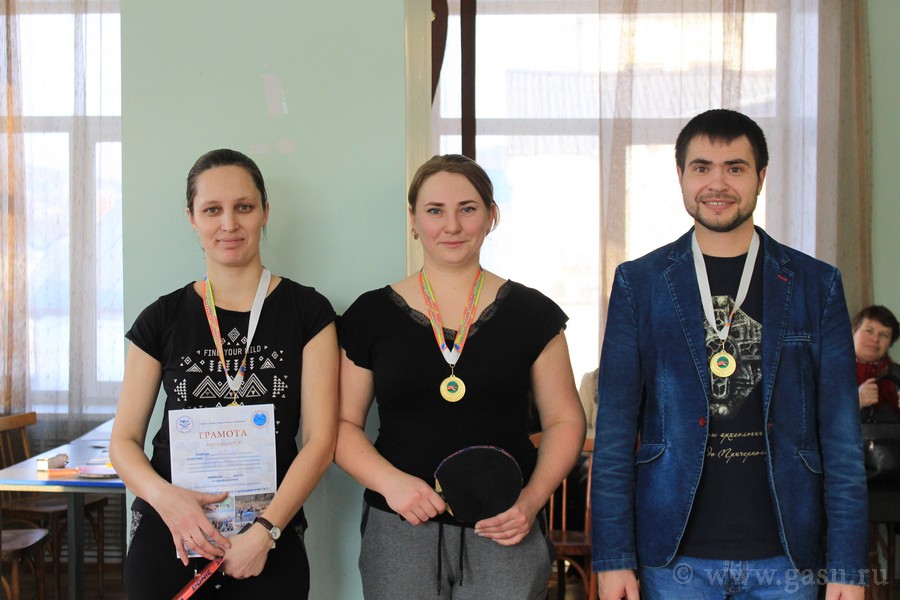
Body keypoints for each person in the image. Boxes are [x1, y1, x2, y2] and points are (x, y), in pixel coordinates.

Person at [590, 109, 868, 600]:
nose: (717, 183)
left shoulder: (815, 284)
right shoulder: (640, 284)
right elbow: (614, 434)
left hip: (788, 556)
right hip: (671, 556)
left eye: (735, 168)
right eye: (702, 168)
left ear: (761, 176)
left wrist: (848, 566)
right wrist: (613, 558)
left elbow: (842, 438)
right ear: (681, 175)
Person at [334, 154, 586, 598]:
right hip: (400, 527)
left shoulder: (533, 314)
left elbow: (565, 420)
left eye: (467, 209)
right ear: (414, 220)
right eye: (435, 211)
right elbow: (339, 425)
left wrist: (532, 500)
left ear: (491, 216)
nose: (451, 226)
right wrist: (391, 484)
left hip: (507, 525)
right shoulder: (370, 314)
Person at [109, 149, 338, 599]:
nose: (229, 224)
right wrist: (168, 501)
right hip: (171, 535)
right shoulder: (161, 318)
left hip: (267, 540)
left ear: (265, 212)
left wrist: (265, 532)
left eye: (244, 207)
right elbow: (123, 442)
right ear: (192, 218)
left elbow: (320, 441)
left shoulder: (308, 313)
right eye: (212, 210)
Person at [852, 305, 900, 421]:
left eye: (884, 335)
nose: (875, 339)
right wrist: (855, 403)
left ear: (890, 343)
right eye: (869, 331)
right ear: (853, 332)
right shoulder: (826, 371)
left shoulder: (897, 373)